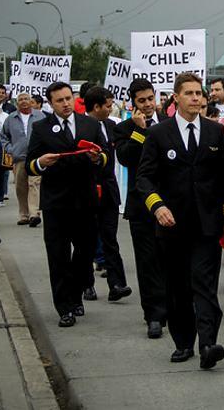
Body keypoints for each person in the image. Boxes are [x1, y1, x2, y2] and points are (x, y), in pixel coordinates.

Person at [136, 72, 224, 369]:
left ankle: (208, 343)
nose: (196, 98)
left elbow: (223, 180)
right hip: (172, 225)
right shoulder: (159, 134)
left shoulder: (215, 132)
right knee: (177, 287)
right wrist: (157, 206)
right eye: (189, 93)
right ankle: (184, 342)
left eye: (199, 93)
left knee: (204, 284)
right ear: (176, 98)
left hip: (206, 224)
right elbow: (145, 178)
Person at [26, 81, 109, 328]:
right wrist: (41, 162)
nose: (65, 103)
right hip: (56, 203)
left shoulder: (90, 124)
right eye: (59, 100)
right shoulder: (41, 128)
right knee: (58, 256)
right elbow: (31, 164)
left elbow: (105, 156)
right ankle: (64, 307)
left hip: (85, 201)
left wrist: (97, 157)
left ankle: (76, 293)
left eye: (68, 98)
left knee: (85, 253)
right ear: (50, 104)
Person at [114, 78, 169, 339]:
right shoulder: (124, 128)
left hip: (169, 203)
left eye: (150, 99)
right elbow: (126, 157)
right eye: (142, 101)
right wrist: (139, 130)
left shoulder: (170, 123)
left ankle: (173, 307)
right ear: (133, 103)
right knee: (147, 262)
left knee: (170, 259)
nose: (147, 105)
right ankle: (154, 315)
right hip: (141, 206)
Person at [84, 87, 133, 302]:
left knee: (110, 239)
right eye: (107, 105)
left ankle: (117, 284)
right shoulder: (80, 127)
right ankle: (86, 285)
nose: (111, 108)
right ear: (96, 107)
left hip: (109, 191)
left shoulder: (112, 125)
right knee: (85, 239)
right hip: (87, 190)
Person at [1, 93, 45, 225]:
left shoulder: (39, 116)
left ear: (31, 101)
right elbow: (4, 137)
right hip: (19, 157)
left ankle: (34, 214)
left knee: (34, 184)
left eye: (26, 99)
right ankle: (24, 214)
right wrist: (11, 149)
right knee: (21, 186)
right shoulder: (11, 118)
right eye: (21, 100)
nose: (24, 102)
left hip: (36, 157)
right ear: (17, 102)